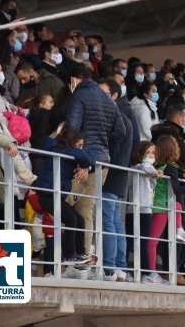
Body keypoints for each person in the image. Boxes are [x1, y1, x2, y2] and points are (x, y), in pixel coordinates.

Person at [65, 64, 126, 254]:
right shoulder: (109, 101)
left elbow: (72, 127)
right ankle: (83, 258)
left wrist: (80, 155)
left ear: (75, 79)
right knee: (86, 210)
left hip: (81, 160)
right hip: (101, 162)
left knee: (63, 206)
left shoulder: (79, 95)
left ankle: (64, 258)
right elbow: (120, 131)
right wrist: (106, 152)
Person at [32, 128, 97, 279]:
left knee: (79, 219)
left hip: (55, 195)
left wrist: (86, 167)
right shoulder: (63, 150)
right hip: (47, 194)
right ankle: (70, 255)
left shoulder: (69, 152)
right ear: (72, 144)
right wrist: (86, 165)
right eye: (79, 145)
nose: (81, 148)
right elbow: (88, 157)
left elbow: (91, 156)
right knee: (71, 220)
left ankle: (80, 254)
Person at [99, 79, 134, 282]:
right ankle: (119, 267)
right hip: (119, 174)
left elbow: (110, 147)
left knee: (108, 222)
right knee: (115, 222)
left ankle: (110, 267)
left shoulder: (115, 117)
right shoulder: (125, 117)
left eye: (103, 92)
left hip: (110, 174)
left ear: (114, 96)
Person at [148, 135, 185, 286]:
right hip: (162, 206)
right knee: (152, 242)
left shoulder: (159, 166)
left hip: (157, 205)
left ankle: (179, 229)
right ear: (172, 150)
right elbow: (176, 189)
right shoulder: (170, 167)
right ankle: (152, 273)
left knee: (178, 207)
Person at [126, 141, 166, 284]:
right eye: (148, 152)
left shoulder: (143, 169)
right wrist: (155, 172)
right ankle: (146, 273)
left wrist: (153, 173)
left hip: (141, 209)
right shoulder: (138, 167)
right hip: (139, 209)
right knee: (137, 242)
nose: (151, 155)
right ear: (140, 153)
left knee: (136, 242)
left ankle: (139, 272)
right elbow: (145, 166)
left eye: (153, 153)